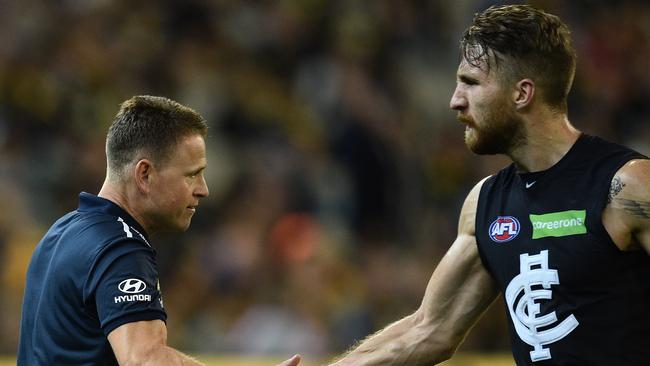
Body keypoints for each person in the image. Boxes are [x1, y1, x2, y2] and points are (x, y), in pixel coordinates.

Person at [329, 4, 650, 365]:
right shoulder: (485, 204)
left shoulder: (627, 185)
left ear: (522, 93)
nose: (455, 101)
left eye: (470, 83)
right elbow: (428, 330)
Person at [17, 96, 301, 366]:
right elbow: (144, 359)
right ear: (144, 174)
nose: (203, 189)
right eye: (192, 174)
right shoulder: (120, 247)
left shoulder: (59, 233)